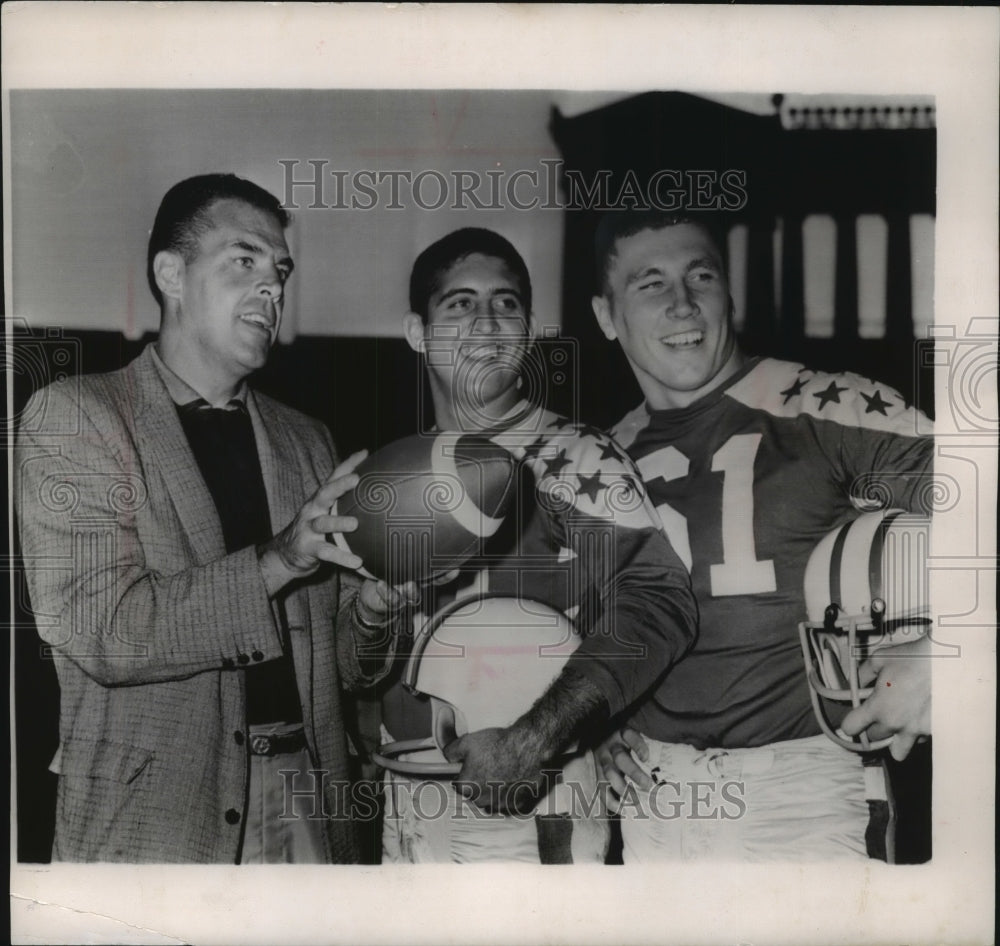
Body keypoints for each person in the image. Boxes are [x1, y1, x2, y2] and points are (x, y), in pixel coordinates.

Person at [14, 173, 414, 864]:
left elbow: (349, 670)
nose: (273, 287)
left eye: (280, 270)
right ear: (170, 272)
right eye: (244, 261)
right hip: (159, 811)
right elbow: (103, 630)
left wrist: (378, 607)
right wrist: (280, 560)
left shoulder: (308, 440)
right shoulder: (77, 416)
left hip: (308, 799)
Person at [588, 210, 933, 861]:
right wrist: (599, 722)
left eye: (701, 275)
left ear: (729, 291)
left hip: (802, 798)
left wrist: (947, 652)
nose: (683, 303)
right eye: (650, 283)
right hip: (653, 809)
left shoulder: (825, 409)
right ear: (606, 316)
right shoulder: (602, 460)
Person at [368, 227, 698, 862]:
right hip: (409, 801)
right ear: (418, 332)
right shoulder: (394, 473)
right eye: (460, 303)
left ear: (530, 329)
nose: (488, 322)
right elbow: (361, 665)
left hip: (535, 799)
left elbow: (661, 605)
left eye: (507, 303)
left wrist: (540, 736)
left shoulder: (577, 458)